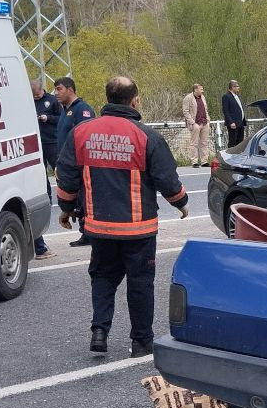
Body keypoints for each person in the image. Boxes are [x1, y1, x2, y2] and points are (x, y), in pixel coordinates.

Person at [55, 76, 188, 357]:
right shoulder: (146, 136)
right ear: (134, 100)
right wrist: (181, 203)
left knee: (102, 277)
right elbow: (167, 179)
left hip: (99, 227)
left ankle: (99, 332)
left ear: (107, 99)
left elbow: (66, 176)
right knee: (140, 283)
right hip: (138, 229)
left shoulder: (82, 132)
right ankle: (141, 342)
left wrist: (66, 209)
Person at [54, 77, 96, 247]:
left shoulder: (82, 110)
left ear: (70, 89)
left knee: (84, 198)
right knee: (77, 199)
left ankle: (89, 232)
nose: (56, 93)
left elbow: (86, 137)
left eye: (59, 89)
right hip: (66, 163)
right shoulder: (65, 110)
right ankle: (84, 231)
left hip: (79, 164)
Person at [32, 79, 62, 171]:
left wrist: (48, 118)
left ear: (42, 89)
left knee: (58, 169)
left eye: (37, 95)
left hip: (52, 141)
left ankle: (61, 185)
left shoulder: (52, 100)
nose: (36, 97)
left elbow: (61, 118)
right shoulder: (29, 101)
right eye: (34, 96)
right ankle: (45, 186)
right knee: (40, 171)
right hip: (36, 142)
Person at [181, 83, 211, 167]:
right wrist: (193, 123)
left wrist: (208, 120)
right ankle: (194, 161)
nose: (202, 91)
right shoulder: (188, 98)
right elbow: (185, 111)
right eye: (201, 89)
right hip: (195, 124)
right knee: (194, 143)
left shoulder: (203, 97)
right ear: (195, 90)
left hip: (204, 122)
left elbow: (206, 109)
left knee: (204, 143)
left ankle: (204, 161)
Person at [221, 80, 246, 148]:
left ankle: (239, 157)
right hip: (233, 124)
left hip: (240, 123)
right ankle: (230, 157)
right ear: (232, 87)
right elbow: (225, 111)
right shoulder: (226, 96)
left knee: (240, 142)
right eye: (237, 86)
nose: (239, 88)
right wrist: (231, 122)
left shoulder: (237, 96)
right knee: (233, 141)